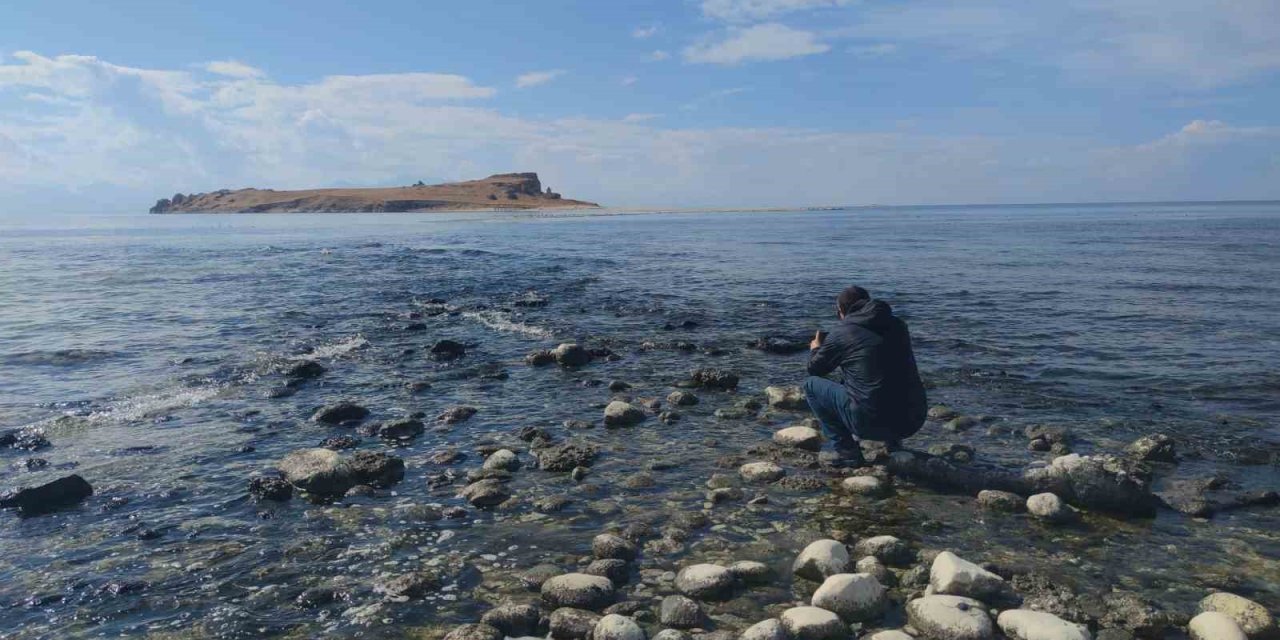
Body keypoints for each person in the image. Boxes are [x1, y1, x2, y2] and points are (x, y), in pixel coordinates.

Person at [804, 285, 927, 467]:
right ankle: (893, 443)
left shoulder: (843, 331)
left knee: (811, 385)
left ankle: (847, 452)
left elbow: (815, 369)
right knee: (874, 371)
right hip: (912, 420)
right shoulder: (898, 325)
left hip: (870, 424)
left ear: (841, 311)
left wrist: (816, 349)